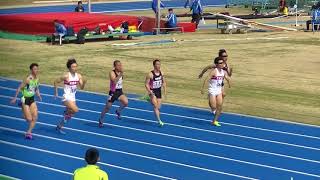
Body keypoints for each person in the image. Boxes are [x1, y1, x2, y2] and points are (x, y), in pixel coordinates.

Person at [54, 58, 86, 134]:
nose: (75, 68)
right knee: (76, 110)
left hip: (73, 97)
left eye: (76, 66)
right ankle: (66, 112)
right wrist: (56, 92)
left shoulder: (79, 76)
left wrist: (84, 83)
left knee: (71, 114)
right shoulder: (66, 76)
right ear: (69, 68)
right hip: (66, 97)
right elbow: (56, 82)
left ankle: (60, 126)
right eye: (73, 67)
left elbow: (81, 87)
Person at [10, 63, 42, 139]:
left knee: (35, 118)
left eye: (37, 69)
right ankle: (21, 105)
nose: (36, 70)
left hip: (32, 99)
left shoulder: (37, 78)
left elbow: (36, 87)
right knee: (29, 119)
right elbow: (19, 88)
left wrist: (39, 95)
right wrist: (15, 98)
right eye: (34, 69)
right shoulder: (28, 79)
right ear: (31, 70)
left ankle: (28, 133)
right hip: (25, 99)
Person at [201, 57, 231, 127]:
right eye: (220, 63)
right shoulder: (214, 71)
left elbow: (226, 77)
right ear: (217, 64)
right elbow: (207, 79)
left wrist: (229, 83)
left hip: (219, 90)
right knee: (214, 107)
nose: (222, 64)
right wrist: (202, 89)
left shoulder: (223, 72)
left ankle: (214, 121)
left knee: (219, 107)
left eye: (222, 63)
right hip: (212, 90)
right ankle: (210, 98)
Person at [98, 60, 128, 128]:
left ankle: (118, 110)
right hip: (113, 93)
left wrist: (121, 74)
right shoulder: (112, 73)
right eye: (118, 65)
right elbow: (114, 81)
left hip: (119, 91)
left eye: (121, 65)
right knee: (107, 108)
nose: (120, 66)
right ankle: (101, 119)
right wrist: (120, 74)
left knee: (126, 102)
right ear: (115, 66)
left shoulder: (120, 72)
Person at [145, 59, 167, 127]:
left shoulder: (161, 73)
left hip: (159, 91)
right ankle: (159, 121)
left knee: (159, 107)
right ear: (154, 65)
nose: (159, 66)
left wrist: (165, 91)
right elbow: (146, 84)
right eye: (157, 64)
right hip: (152, 92)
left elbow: (164, 82)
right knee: (155, 106)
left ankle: (148, 98)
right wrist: (150, 91)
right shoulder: (150, 74)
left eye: (159, 64)